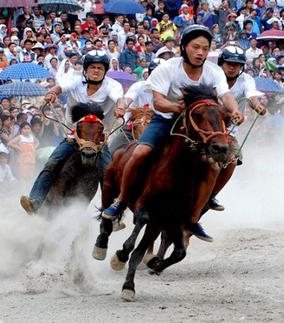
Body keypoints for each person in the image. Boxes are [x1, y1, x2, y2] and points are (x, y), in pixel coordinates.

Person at [101, 25, 244, 242]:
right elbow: (158, 101)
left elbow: (225, 96)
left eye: (205, 49)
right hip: (165, 120)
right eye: (195, 47)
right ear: (184, 47)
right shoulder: (167, 68)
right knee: (140, 153)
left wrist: (234, 110)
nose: (200, 53)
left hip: (197, 125)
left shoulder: (214, 72)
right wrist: (177, 108)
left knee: (220, 160)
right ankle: (120, 200)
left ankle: (195, 217)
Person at [20, 50, 126, 214]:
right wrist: (52, 92)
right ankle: (35, 201)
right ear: (85, 69)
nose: (96, 70)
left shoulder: (113, 86)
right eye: (92, 67)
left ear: (105, 70)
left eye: (99, 67)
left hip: (98, 139)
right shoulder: (75, 80)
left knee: (109, 172)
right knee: (52, 163)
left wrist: (120, 107)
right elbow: (60, 87)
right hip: (74, 135)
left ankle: (112, 212)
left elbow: (119, 98)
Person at [211, 45, 266, 210]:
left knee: (233, 160)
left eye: (237, 64)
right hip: (208, 128)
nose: (233, 67)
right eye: (229, 63)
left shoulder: (246, 80)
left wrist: (258, 107)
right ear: (222, 63)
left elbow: (251, 97)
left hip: (228, 131)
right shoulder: (212, 76)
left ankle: (212, 195)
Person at [108, 58, 164, 155]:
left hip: (160, 128)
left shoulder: (171, 90)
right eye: (154, 73)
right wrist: (122, 108)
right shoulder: (139, 86)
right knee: (112, 150)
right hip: (133, 127)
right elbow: (127, 100)